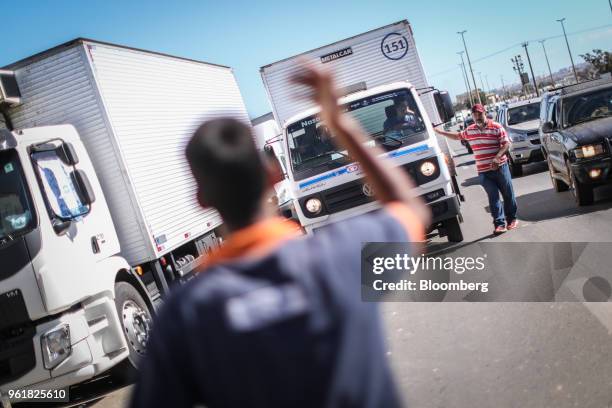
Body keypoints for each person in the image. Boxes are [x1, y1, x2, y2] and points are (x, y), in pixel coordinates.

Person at [130, 64, 430, 408]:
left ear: (201, 199)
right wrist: (340, 123)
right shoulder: (346, 255)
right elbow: (412, 211)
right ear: (273, 174)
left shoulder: (186, 315)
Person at [434, 103, 518, 235]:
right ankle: (499, 224)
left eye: (480, 114)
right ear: (472, 116)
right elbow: (457, 136)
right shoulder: (470, 130)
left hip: (501, 168)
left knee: (508, 194)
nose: (477, 117)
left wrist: (497, 157)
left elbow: (506, 143)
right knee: (493, 196)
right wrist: (439, 132)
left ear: (485, 113)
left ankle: (512, 219)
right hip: (484, 172)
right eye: (475, 115)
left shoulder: (496, 127)